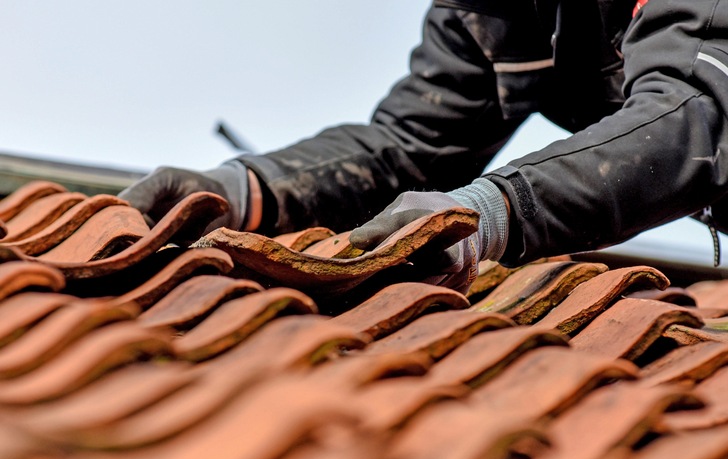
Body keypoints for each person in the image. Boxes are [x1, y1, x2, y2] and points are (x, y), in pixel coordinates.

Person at [119, 0, 728, 293]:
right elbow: (415, 144)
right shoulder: (490, 12)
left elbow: (694, 114)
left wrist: (488, 214)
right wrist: (238, 192)